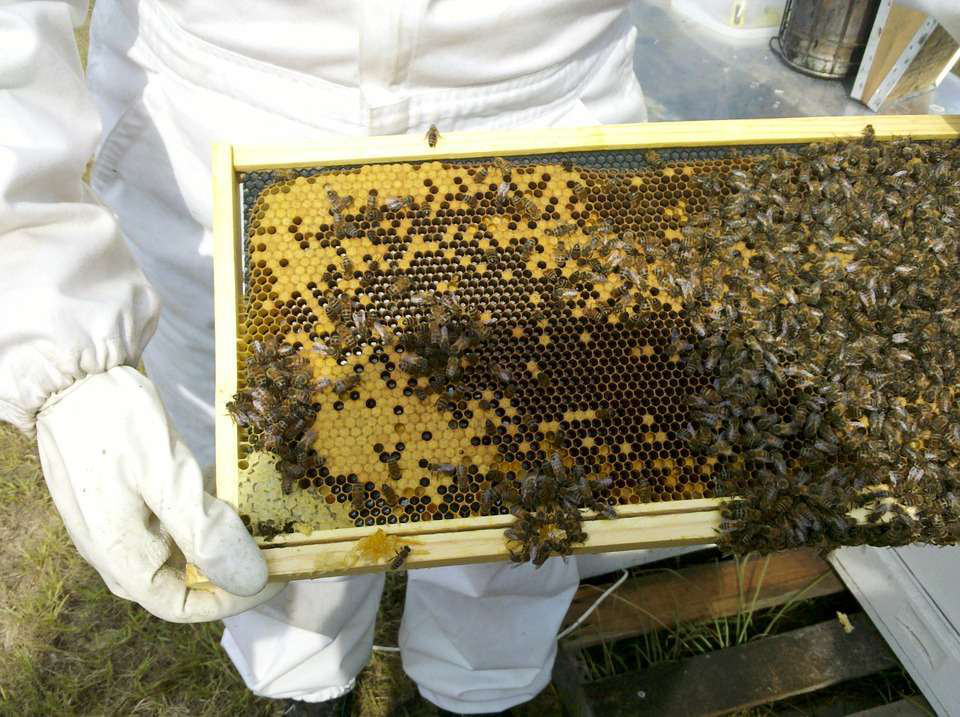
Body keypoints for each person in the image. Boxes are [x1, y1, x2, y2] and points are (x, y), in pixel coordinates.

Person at [2, 2, 958, 716]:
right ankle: (306, 690)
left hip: (556, 134)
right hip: (217, 146)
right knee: (275, 517)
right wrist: (45, 303)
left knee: (533, 506)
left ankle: (482, 690)